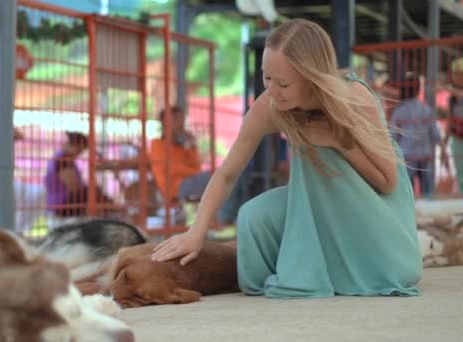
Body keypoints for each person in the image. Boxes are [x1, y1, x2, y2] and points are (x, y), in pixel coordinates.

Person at [152, 19, 422, 299]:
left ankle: (344, 265)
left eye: (283, 83)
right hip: (317, 198)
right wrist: (196, 233)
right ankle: (316, 262)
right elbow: (227, 174)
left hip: (377, 208)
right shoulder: (270, 105)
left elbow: (388, 183)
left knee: (321, 157)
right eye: (266, 77)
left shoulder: (354, 97)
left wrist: (338, 142)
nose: (271, 90)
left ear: (312, 78)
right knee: (251, 219)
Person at [149, 106, 242, 227]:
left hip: (188, 181)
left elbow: (196, 166)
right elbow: (172, 169)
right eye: (176, 119)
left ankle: (231, 220)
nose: (181, 122)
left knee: (235, 176)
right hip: (175, 187)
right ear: (164, 122)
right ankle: (223, 222)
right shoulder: (157, 144)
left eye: (182, 118)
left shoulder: (182, 145)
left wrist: (192, 146)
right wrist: (196, 173)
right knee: (222, 176)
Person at [390, 73, 441, 196]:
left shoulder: (399, 112)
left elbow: (393, 138)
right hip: (425, 155)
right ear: (418, 89)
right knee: (427, 192)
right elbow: (436, 135)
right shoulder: (427, 110)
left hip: (407, 156)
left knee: (408, 193)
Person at [44, 131, 112, 218]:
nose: (79, 154)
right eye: (79, 150)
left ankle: (112, 209)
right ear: (73, 145)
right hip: (62, 205)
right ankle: (114, 210)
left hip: (60, 203)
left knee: (92, 192)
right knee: (91, 192)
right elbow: (74, 187)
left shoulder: (61, 158)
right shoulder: (63, 159)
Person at [441, 58, 463, 194]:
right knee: (461, 175)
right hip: (458, 139)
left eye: (458, 73)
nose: (456, 77)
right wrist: (444, 144)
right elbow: (450, 121)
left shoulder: (454, 94)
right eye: (455, 73)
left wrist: (450, 90)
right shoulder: (452, 99)